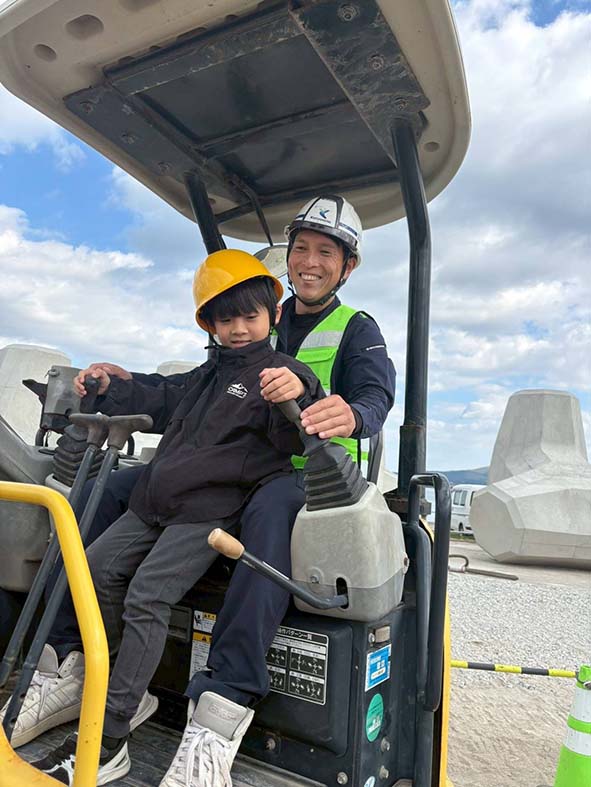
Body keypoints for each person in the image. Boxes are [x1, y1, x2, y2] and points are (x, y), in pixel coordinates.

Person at [3, 195, 396, 786]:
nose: (310, 262)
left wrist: (351, 412)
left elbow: (374, 394)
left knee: (267, 515)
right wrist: (118, 386)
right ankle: (73, 657)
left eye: (326, 252)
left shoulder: (355, 330)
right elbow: (185, 396)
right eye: (302, 249)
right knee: (111, 491)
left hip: (304, 471)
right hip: (222, 465)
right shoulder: (245, 326)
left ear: (347, 266)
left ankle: (224, 698)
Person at [27, 250, 323, 786]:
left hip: (206, 512)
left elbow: (297, 423)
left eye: (250, 316)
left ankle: (111, 734)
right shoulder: (208, 374)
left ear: (273, 315)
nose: (239, 329)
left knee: (146, 595)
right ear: (208, 324)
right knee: (92, 568)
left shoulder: (278, 374)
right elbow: (163, 394)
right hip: (156, 502)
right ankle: (123, 687)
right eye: (225, 319)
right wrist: (112, 385)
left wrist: (300, 394)